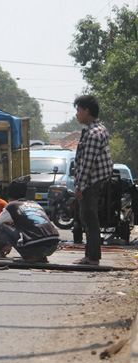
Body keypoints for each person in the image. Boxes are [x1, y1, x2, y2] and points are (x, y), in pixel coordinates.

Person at [73, 95, 113, 265]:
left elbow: (87, 163)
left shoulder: (94, 133)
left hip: (91, 181)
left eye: (78, 110)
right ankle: (90, 255)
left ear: (86, 111)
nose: (77, 115)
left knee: (89, 218)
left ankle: (93, 257)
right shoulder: (94, 130)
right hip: (94, 179)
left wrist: (79, 186)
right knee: (88, 217)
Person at [0, 179, 60, 263]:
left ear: (9, 194)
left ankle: (27, 256)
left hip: (37, 245)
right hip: (53, 244)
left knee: (2, 225)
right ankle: (40, 257)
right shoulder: (35, 204)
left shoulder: (11, 206)